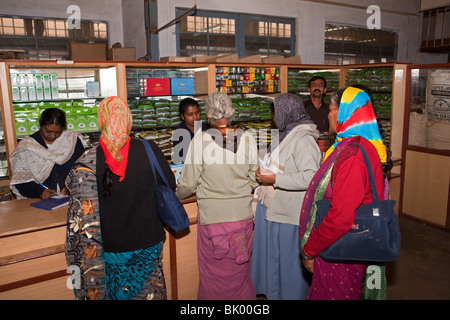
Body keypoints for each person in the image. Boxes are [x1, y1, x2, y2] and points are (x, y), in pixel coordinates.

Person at [65, 96, 175, 300]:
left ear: (101, 121)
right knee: (148, 293)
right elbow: (170, 185)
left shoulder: (86, 162)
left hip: (109, 249)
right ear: (129, 120)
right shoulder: (149, 150)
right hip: (148, 245)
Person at [299, 87, 389, 300]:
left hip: (340, 253)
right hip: (339, 248)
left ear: (344, 113)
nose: (329, 114)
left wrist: (310, 250)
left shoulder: (353, 155)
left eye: (332, 109)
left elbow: (341, 217)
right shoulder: (350, 146)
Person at [175, 92, 259, 300]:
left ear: (209, 114)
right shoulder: (246, 137)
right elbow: (255, 178)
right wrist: (236, 189)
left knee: (214, 277)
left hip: (214, 221)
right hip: (243, 217)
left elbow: (187, 183)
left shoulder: (201, 140)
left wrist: (176, 195)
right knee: (240, 274)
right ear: (231, 111)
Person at [250, 93, 321, 300]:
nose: (273, 118)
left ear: (286, 112)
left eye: (275, 113)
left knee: (289, 268)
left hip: (289, 215)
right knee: (277, 265)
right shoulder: (287, 135)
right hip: (276, 210)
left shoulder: (304, 140)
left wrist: (275, 179)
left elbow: (310, 177)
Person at [9, 108, 85, 199]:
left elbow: (83, 170)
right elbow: (20, 181)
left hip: (72, 198)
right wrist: (39, 192)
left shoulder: (73, 141)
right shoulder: (28, 146)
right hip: (38, 201)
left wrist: (72, 185)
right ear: (40, 124)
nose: (53, 136)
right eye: (48, 131)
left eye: (58, 132)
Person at [172, 97, 209, 163]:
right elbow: (182, 157)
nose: (195, 117)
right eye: (190, 114)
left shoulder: (206, 128)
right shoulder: (180, 133)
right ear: (182, 116)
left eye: (197, 113)